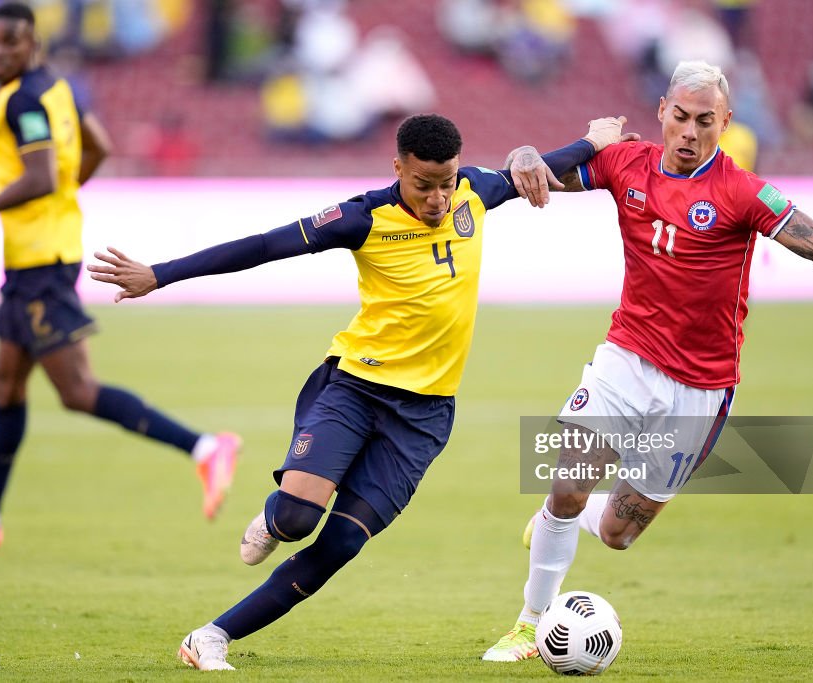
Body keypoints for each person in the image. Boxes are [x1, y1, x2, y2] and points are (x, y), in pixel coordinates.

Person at [87, 112, 636, 670]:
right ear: (397, 167)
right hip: (355, 388)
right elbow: (264, 246)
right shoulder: (361, 217)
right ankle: (276, 518)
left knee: (343, 543)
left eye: (446, 183)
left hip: (423, 418)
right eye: (424, 185)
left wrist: (593, 142)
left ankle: (210, 637)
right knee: (299, 520)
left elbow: (539, 169)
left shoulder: (475, 191)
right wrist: (160, 273)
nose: (439, 198)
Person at [482, 60, 813, 662]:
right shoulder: (624, 162)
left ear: (725, 123)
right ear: (661, 111)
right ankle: (530, 622)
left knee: (616, 533)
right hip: (625, 359)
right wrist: (525, 151)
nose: (688, 132)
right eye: (679, 117)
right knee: (569, 481)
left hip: (701, 390)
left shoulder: (742, 191)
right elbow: (540, 174)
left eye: (705, 121)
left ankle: (572, 520)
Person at [0, 3, 240, 553]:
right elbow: (98, 147)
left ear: (32, 45)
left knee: (77, 391)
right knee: (6, 382)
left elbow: (41, 176)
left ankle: (206, 448)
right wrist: (65, 197)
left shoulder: (22, 100)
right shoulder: (57, 88)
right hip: (34, 260)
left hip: (41, 263)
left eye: (9, 43)